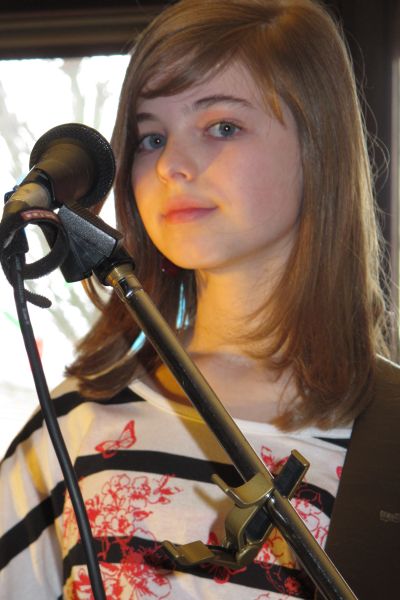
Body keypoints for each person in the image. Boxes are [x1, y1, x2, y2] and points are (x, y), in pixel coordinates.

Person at [1, 0, 399, 598]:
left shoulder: (387, 437)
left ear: (320, 145)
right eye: (151, 137)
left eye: (222, 126)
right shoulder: (78, 423)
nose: (171, 166)